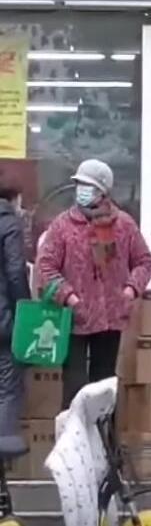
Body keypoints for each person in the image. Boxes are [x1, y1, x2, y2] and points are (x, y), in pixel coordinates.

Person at [36, 159, 151, 409]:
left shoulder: (123, 224)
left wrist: (130, 289)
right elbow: (45, 267)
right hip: (74, 319)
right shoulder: (63, 225)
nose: (82, 190)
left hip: (111, 319)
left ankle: (102, 442)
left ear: (103, 191)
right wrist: (69, 296)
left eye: (88, 185)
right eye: (79, 184)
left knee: (104, 387)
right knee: (74, 388)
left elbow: (144, 261)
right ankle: (72, 442)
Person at [0, 169, 31, 447]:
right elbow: (15, 272)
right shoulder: (8, 222)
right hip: (3, 321)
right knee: (7, 389)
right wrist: (25, 312)